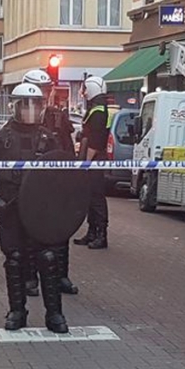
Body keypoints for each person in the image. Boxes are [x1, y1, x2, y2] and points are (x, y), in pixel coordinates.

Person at [0, 81, 69, 334]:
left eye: (34, 104)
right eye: (24, 105)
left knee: (47, 258)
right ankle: (17, 310)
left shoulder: (48, 138)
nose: (29, 110)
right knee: (14, 260)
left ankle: (55, 314)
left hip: (39, 208)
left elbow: (61, 173)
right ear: (14, 107)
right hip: (10, 206)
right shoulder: (2, 138)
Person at [39, 71, 79, 295]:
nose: (45, 95)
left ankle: (61, 275)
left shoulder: (57, 116)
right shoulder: (21, 121)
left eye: (47, 89)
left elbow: (66, 145)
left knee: (62, 233)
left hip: (57, 182)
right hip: (34, 186)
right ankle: (30, 278)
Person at [73, 76, 111, 250]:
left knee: (96, 198)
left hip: (95, 159)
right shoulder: (96, 108)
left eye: (85, 89)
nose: (83, 92)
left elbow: (96, 140)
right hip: (91, 158)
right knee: (90, 197)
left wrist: (87, 162)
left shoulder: (99, 111)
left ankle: (101, 235)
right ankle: (92, 232)